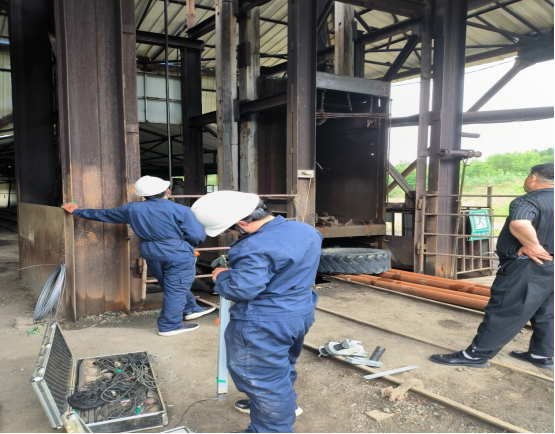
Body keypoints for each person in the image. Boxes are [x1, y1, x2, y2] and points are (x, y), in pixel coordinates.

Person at [191, 191, 323, 433]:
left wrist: (223, 276)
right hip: (299, 311)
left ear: (242, 223)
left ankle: (271, 427)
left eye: (230, 229)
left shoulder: (253, 246)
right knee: (281, 364)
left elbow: (241, 289)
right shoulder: (305, 230)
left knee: (262, 379)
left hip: (264, 321)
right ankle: (284, 404)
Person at [430, 163, 554, 369]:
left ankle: (476, 356)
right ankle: (541, 354)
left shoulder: (529, 200)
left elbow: (520, 224)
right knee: (547, 310)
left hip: (529, 266)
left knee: (505, 309)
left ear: (533, 178)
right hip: (551, 266)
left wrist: (532, 245)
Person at [60, 175, 215, 336]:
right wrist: (185, 244)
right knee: (176, 287)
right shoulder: (182, 210)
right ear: (167, 191)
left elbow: (104, 214)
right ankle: (170, 325)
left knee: (172, 285)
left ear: (143, 195)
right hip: (177, 253)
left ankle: (191, 308)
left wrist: (77, 211)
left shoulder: (131, 209)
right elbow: (197, 236)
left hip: (151, 252)